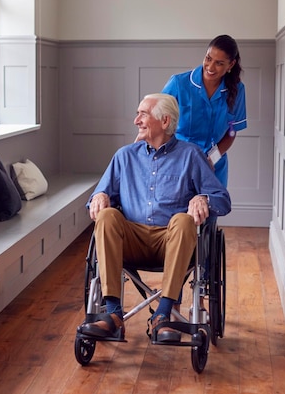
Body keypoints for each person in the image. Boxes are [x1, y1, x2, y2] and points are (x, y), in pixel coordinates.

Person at [79, 93, 231, 343]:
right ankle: (114, 314)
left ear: (164, 121)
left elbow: (223, 201)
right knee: (106, 216)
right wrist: (99, 197)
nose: (136, 120)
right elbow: (97, 197)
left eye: (143, 114)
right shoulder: (125, 156)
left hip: (171, 240)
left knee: (184, 220)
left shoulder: (191, 156)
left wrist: (203, 198)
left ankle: (163, 314)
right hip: (131, 239)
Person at [137, 35, 246, 188]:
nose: (210, 67)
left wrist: (212, 159)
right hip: (177, 162)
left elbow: (232, 131)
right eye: (208, 58)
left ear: (231, 65)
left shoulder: (237, 90)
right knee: (177, 210)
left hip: (214, 166)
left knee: (208, 209)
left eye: (219, 63)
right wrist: (136, 153)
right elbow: (153, 118)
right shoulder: (178, 83)